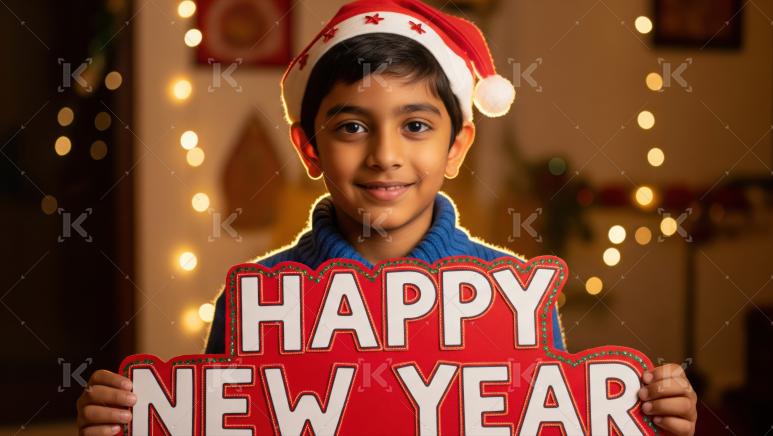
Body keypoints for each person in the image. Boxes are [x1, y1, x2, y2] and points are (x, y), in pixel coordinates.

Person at [76, 1, 697, 434]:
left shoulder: (510, 297)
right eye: (351, 126)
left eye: (417, 125)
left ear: (456, 147)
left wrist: (646, 417)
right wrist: (132, 421)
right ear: (309, 148)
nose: (385, 155)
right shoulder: (258, 300)